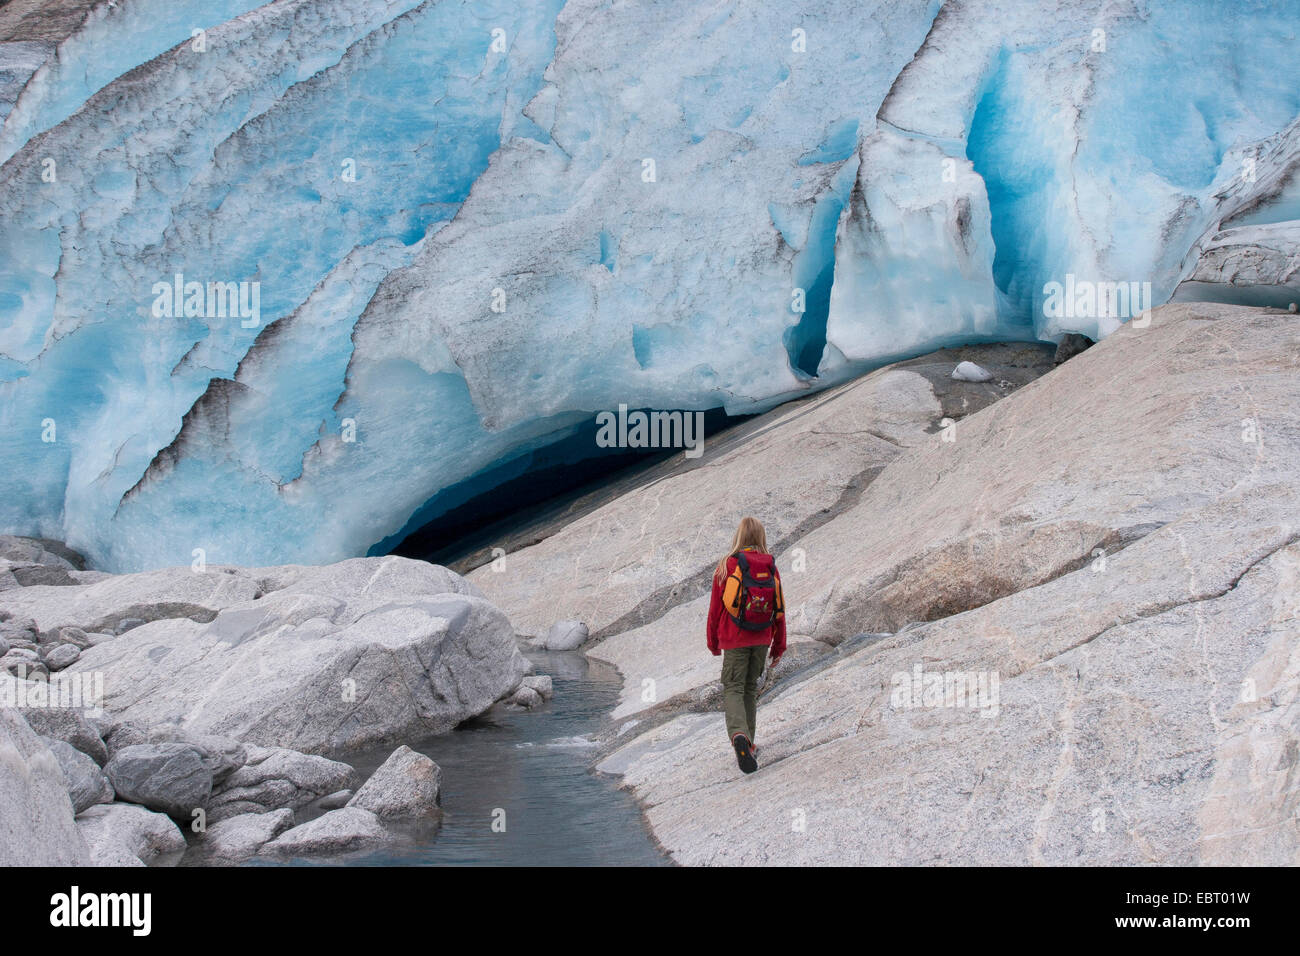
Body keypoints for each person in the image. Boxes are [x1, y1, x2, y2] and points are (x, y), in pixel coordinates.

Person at [706, 516, 786, 774]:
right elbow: (780, 609)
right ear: (761, 537)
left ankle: (739, 736)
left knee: (733, 687)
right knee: (750, 688)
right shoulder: (770, 566)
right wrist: (779, 646)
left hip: (735, 638)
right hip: (762, 637)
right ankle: (749, 745)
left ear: (738, 537)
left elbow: (715, 610)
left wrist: (713, 642)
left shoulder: (727, 566)